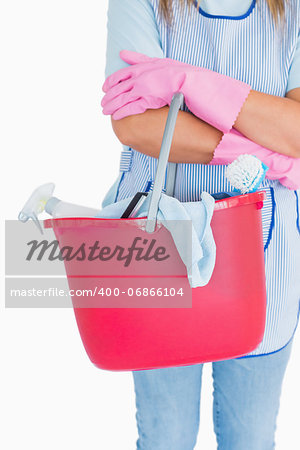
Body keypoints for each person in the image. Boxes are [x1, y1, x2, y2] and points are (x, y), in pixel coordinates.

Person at [101, 1, 300, 448]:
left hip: (268, 261)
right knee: (165, 438)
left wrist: (188, 82)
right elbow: (135, 124)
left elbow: (298, 132)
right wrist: (266, 155)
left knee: (249, 437)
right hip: (158, 257)